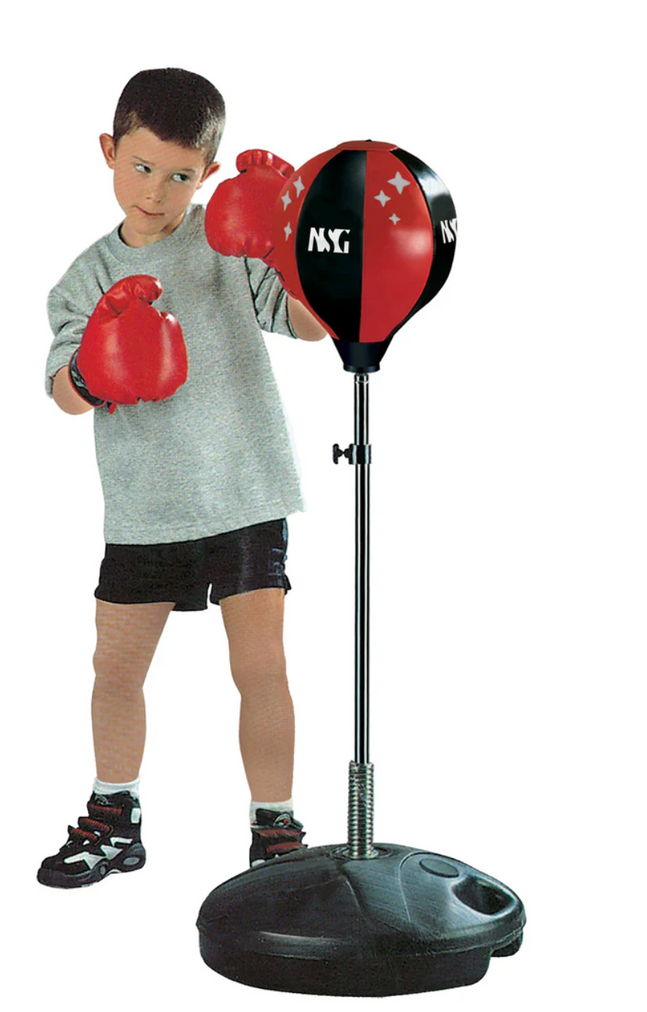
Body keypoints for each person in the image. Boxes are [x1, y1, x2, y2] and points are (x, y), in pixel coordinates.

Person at [38, 67, 326, 889]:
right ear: (108, 152)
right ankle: (112, 818)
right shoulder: (83, 277)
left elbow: (306, 326)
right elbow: (60, 394)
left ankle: (275, 830)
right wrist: (96, 368)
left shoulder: (224, 243)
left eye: (179, 174)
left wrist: (282, 242)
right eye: (140, 166)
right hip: (145, 507)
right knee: (116, 671)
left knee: (262, 669)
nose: (156, 191)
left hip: (244, 490)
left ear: (208, 171)